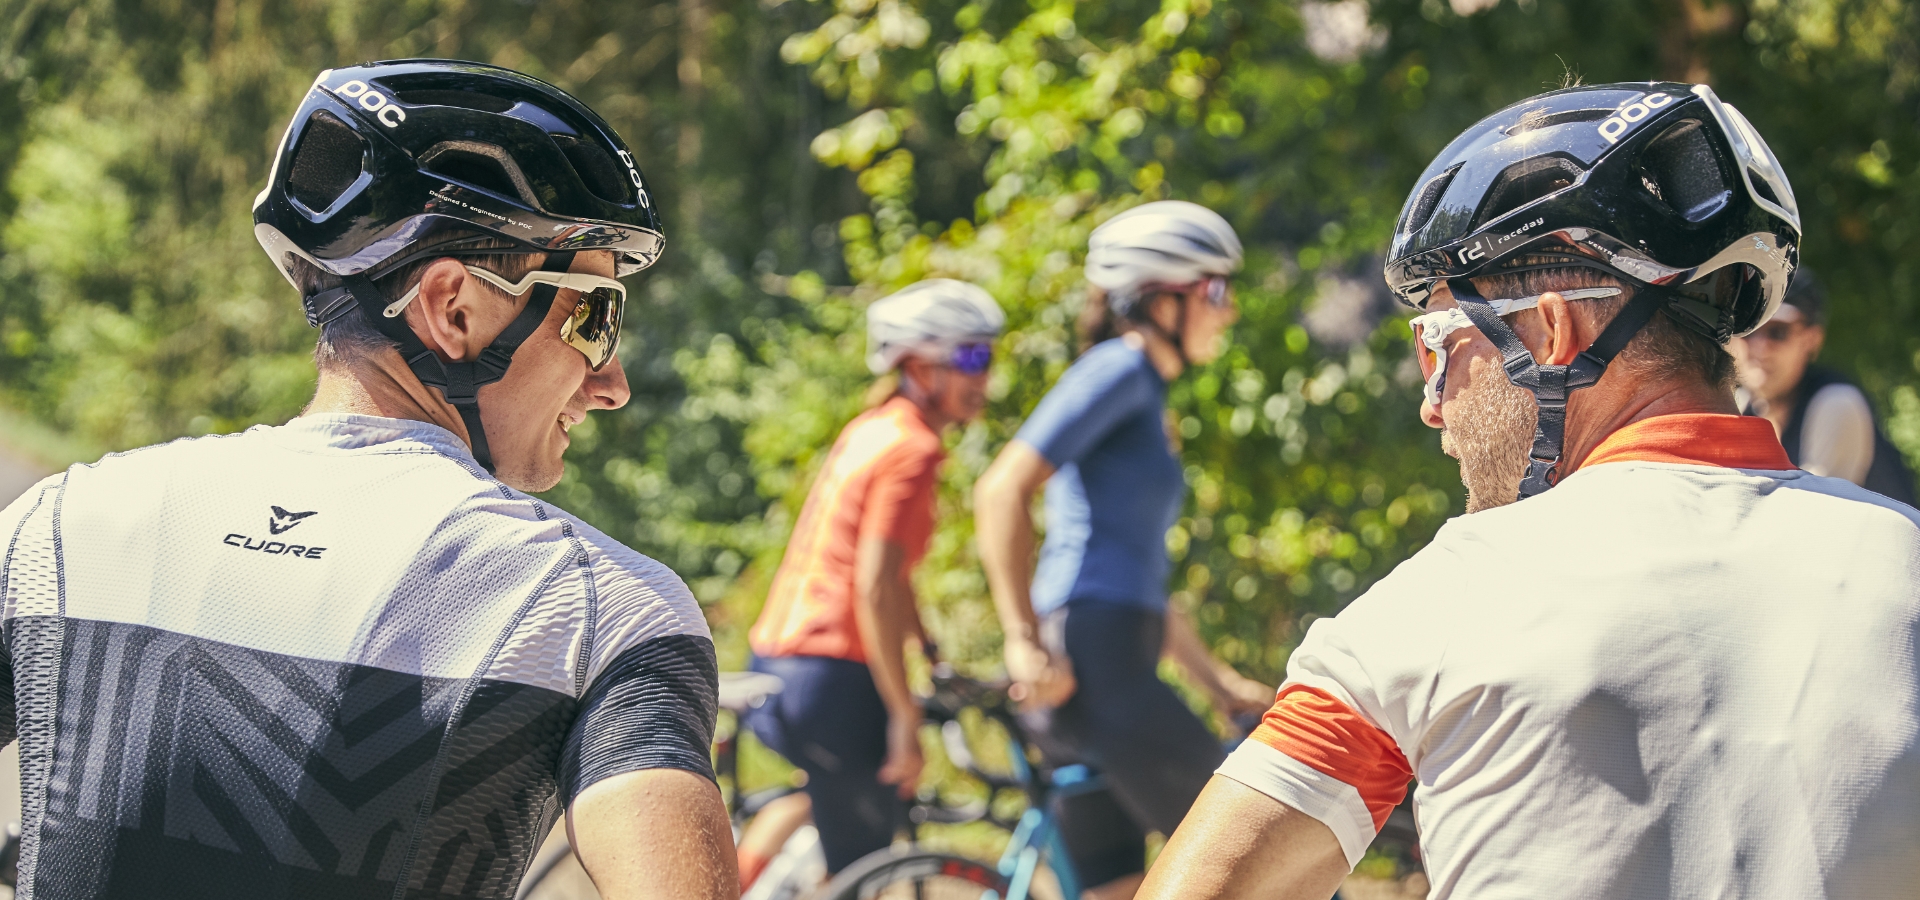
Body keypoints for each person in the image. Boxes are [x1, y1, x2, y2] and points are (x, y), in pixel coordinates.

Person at [1140, 82, 1920, 900]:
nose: (1431, 403)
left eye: (1437, 348)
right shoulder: (1903, 555)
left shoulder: (1441, 603)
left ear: (1553, 333)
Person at [0, 61, 733, 900]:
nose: (613, 383)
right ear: (453, 306)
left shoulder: (62, 524)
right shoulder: (600, 608)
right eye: (595, 316)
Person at [973, 201, 1276, 900]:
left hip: (1110, 656)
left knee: (1120, 887)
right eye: (1215, 291)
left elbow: (1136, 575)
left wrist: (1217, 682)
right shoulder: (1118, 369)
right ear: (1159, 299)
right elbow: (1000, 491)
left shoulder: (1142, 389)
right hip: (1094, 663)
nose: (1227, 312)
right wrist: (1021, 639)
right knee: (1258, 856)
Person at [738, 280, 1004, 882]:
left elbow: (892, 577)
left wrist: (929, 649)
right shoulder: (914, 451)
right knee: (868, 870)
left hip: (781, 659)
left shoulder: (871, 428)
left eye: (987, 356)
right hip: (833, 674)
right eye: (970, 358)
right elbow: (875, 587)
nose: (984, 376)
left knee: (824, 797)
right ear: (918, 366)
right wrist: (904, 716)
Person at [1735, 268, 1916, 504]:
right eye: (1747, 328)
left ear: (1812, 339)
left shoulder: (1836, 403)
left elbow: (1809, 516)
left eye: (1777, 332)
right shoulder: (1741, 404)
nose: (1760, 347)